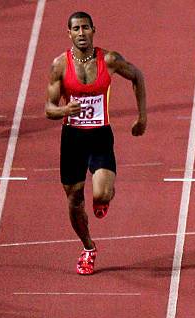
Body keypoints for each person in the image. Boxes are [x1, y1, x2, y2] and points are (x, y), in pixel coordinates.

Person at [45, 11, 147, 275]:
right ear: (69, 34)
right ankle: (88, 247)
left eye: (85, 28)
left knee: (100, 194)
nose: (81, 33)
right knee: (74, 199)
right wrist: (65, 111)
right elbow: (48, 108)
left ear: (93, 30)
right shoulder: (60, 65)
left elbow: (137, 76)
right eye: (76, 29)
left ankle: (104, 197)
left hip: (100, 136)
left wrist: (142, 117)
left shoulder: (109, 60)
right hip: (72, 139)